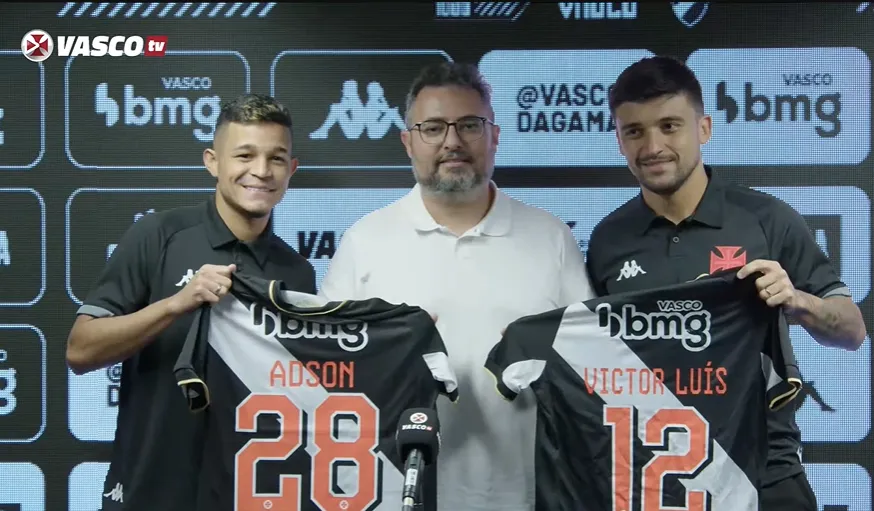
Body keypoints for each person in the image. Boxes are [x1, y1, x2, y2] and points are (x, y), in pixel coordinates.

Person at [585, 56, 867, 511]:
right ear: (618, 140)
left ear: (705, 129)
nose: (653, 145)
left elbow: (853, 331)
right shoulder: (607, 239)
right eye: (634, 131)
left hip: (765, 471)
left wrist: (796, 301)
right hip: (654, 475)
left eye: (670, 126)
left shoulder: (766, 219)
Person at [318, 62, 594, 511]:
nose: (452, 141)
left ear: (495, 136)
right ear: (408, 141)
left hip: (523, 494)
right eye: (432, 127)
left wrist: (551, 356)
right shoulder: (364, 242)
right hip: (395, 495)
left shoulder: (551, 237)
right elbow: (327, 374)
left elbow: (593, 369)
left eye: (469, 125)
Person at [65, 93, 316, 511]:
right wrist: (175, 304)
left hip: (252, 492)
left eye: (276, 158)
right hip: (150, 489)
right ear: (212, 162)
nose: (261, 171)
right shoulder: (157, 235)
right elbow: (80, 350)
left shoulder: (297, 272)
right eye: (244, 155)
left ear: (291, 170)